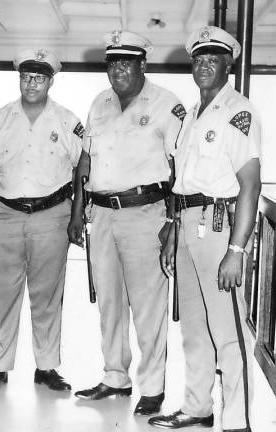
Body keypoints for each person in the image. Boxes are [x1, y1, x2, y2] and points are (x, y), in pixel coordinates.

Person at [68, 30, 186, 416]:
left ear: (142, 65)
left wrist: (172, 219)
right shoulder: (99, 104)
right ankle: (115, 376)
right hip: (100, 214)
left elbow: (179, 169)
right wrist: (76, 213)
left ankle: (153, 388)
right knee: (110, 303)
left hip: (145, 214)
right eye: (112, 62)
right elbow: (85, 164)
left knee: (149, 306)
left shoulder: (167, 105)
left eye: (127, 61)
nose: (118, 69)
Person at [149, 26, 260, 432]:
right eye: (198, 58)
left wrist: (237, 250)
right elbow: (183, 183)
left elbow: (250, 185)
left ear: (228, 63)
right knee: (194, 328)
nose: (203, 65)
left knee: (228, 332)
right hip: (187, 225)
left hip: (217, 228)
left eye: (213, 58)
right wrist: (173, 228)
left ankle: (237, 422)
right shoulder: (192, 115)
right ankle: (197, 408)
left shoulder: (238, 111)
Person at [0, 48, 82, 392]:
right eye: (26, 77)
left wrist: (77, 215)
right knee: (3, 293)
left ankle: (47, 367)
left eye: (39, 77)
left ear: (51, 81)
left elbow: (82, 169)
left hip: (52, 215)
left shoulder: (68, 121)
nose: (32, 83)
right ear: (19, 79)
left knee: (48, 295)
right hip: (7, 214)